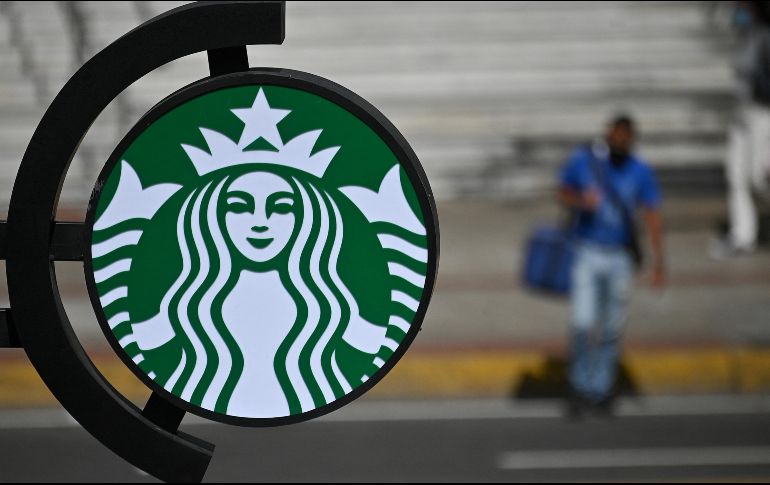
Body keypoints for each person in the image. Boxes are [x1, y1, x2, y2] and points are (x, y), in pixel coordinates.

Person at [558, 115, 666, 417]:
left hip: (620, 256)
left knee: (611, 327)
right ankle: (579, 384)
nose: (619, 144)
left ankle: (601, 387)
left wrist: (659, 262)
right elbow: (562, 190)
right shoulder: (585, 161)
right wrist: (581, 201)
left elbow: (653, 215)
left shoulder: (641, 171)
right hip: (587, 250)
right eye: (614, 138)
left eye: (624, 139)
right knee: (582, 322)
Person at [713, 1, 770, 257]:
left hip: (763, 112)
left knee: (761, 178)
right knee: (736, 175)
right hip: (743, 111)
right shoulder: (746, 35)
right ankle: (742, 235)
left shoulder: (766, 37)